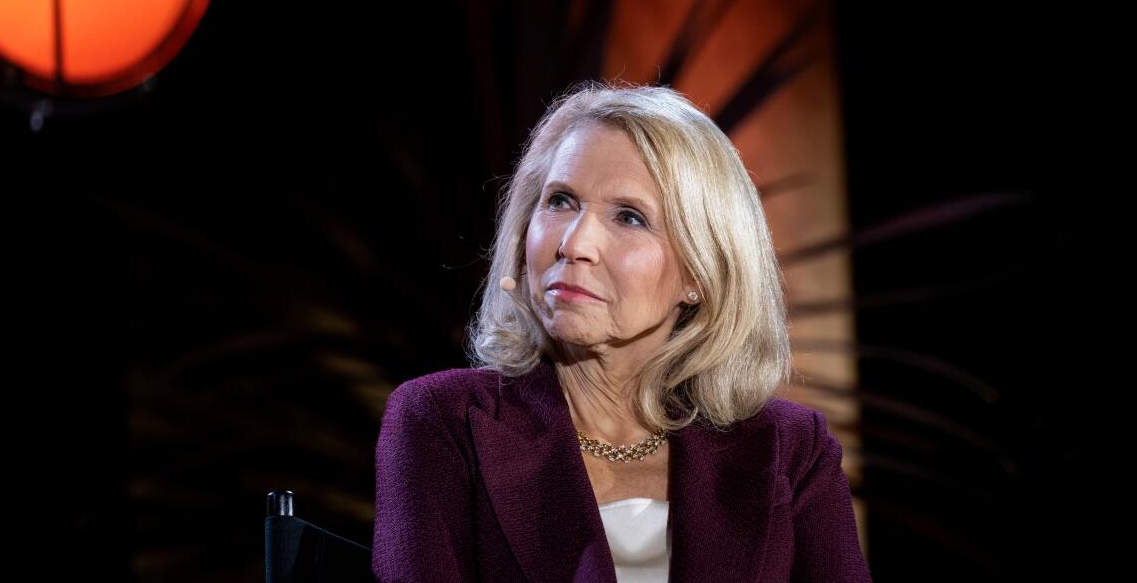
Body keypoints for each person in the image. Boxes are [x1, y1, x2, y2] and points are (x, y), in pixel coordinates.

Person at [372, 81, 873, 583]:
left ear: (699, 274)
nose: (575, 243)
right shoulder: (443, 421)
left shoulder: (790, 450)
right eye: (561, 201)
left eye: (629, 217)